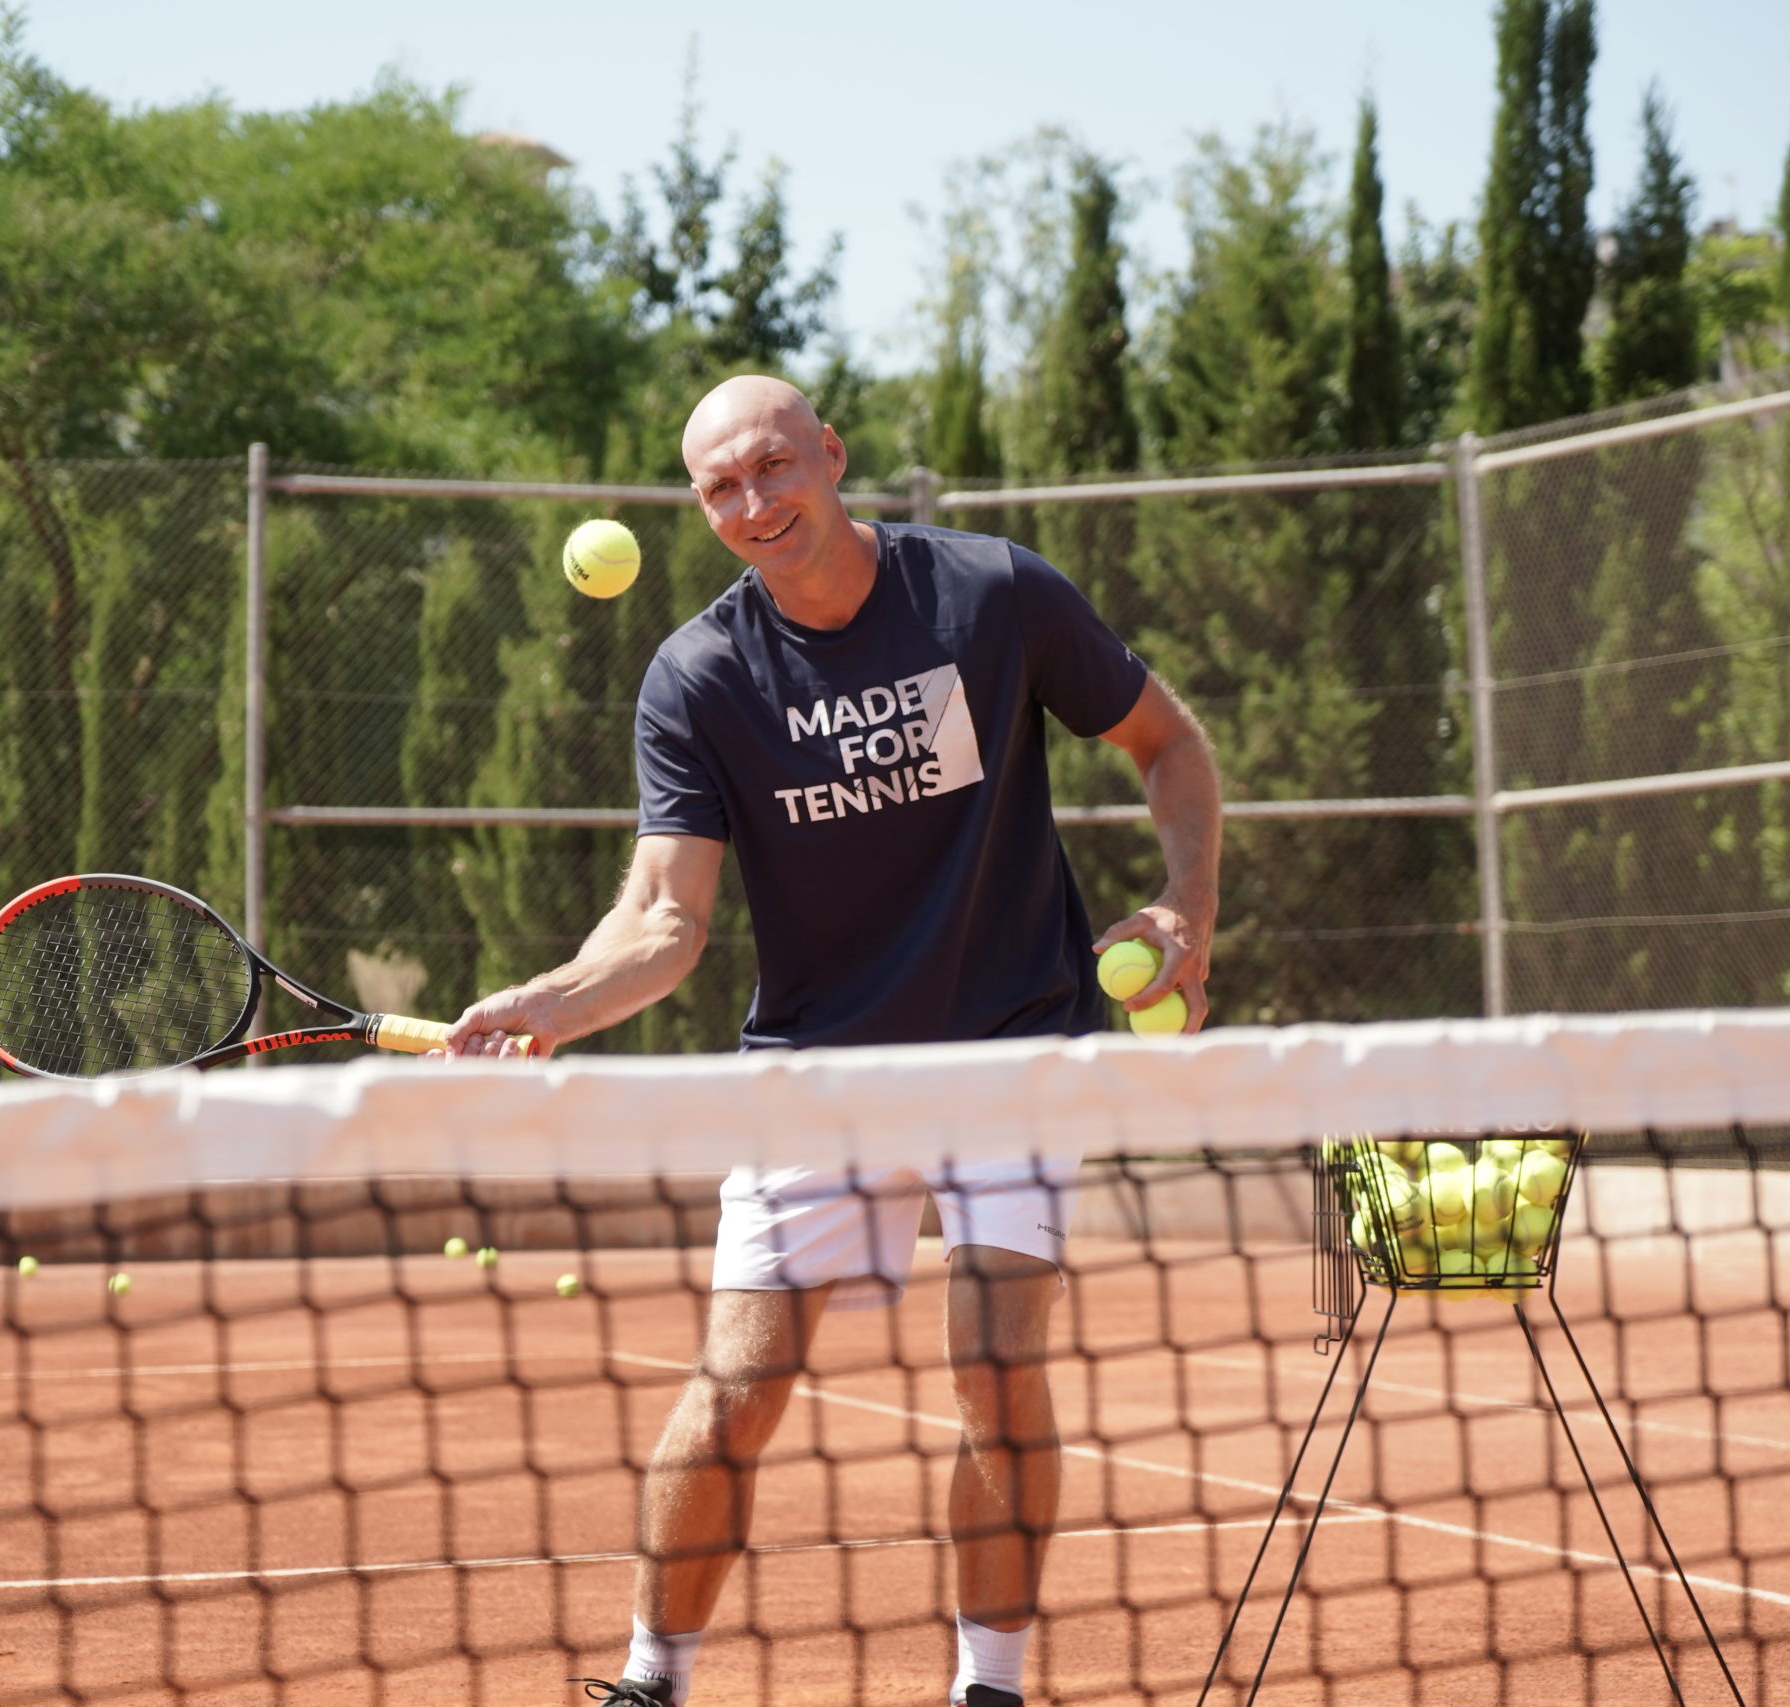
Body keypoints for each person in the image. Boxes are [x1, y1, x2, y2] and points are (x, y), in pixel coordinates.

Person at [444, 375, 1221, 1707]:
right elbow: (666, 921)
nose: (755, 503)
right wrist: (551, 1004)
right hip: (818, 1070)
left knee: (994, 1364)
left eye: (772, 467)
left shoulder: (992, 596)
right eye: (720, 489)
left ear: (831, 455)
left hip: (1012, 1045)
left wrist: (1184, 912)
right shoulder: (698, 676)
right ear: (701, 509)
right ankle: (650, 1682)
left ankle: (992, 1688)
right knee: (740, 1385)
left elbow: (1172, 746)